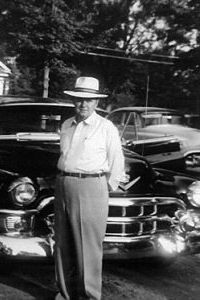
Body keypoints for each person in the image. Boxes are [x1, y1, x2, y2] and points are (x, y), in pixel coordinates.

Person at [54, 76, 125, 300]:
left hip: (91, 186)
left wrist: (102, 189)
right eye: (79, 99)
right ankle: (65, 294)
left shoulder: (106, 127)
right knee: (63, 243)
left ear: (96, 103)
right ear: (73, 101)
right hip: (64, 183)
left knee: (89, 247)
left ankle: (89, 296)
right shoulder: (66, 125)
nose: (83, 104)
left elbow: (117, 163)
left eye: (89, 100)